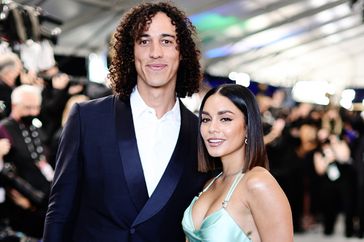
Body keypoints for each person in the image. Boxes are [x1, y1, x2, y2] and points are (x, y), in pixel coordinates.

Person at [43, 2, 207, 242]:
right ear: (131, 52)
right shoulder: (87, 118)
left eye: (166, 41)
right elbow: (59, 211)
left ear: (181, 52)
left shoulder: (199, 133)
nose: (155, 52)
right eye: (144, 41)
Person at [182, 84, 293, 242]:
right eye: (206, 119)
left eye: (225, 119)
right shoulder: (210, 184)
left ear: (248, 127)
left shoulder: (258, 183)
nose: (212, 128)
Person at [0, 84, 52, 239]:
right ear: (15, 105)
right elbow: (5, 171)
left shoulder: (35, 125)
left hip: (45, 194)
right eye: (28, 108)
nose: (33, 112)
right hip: (23, 203)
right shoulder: (4, 129)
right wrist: (20, 198)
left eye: (36, 108)